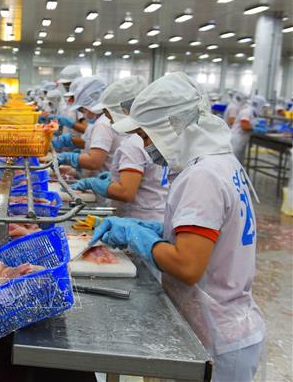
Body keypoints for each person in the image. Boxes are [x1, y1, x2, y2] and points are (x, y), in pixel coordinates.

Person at [93, 72, 265, 382]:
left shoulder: (203, 176)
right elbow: (212, 238)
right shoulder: (220, 162)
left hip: (218, 335)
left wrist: (137, 236)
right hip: (228, 324)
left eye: (147, 136)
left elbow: (188, 266)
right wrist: (157, 231)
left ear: (172, 127)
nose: (146, 147)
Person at [71, 76, 168, 220]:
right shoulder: (154, 136)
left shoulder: (134, 144)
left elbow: (126, 192)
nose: (108, 119)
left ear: (124, 112)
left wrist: (95, 184)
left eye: (109, 114)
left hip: (139, 218)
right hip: (157, 213)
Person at [58, 76, 123, 174]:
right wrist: (74, 171)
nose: (84, 113)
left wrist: (69, 158)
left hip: (103, 179)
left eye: (83, 109)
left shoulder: (103, 124)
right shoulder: (101, 121)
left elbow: (94, 162)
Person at [230, 95, 268, 164]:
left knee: (239, 162)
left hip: (242, 140)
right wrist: (255, 128)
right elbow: (244, 125)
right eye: (263, 107)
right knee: (233, 162)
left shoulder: (253, 113)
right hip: (236, 139)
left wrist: (257, 125)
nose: (262, 109)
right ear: (259, 104)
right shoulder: (247, 111)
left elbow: (249, 123)